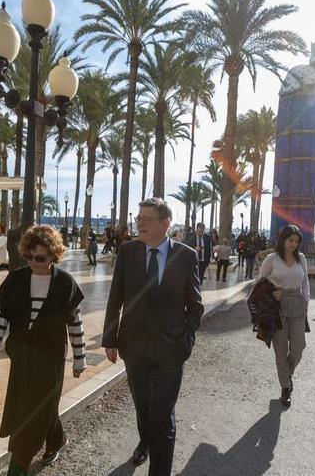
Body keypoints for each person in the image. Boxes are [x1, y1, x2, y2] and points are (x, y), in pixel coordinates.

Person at [102, 198, 204, 476]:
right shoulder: (127, 252)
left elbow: (195, 305)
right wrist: (110, 338)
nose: (140, 223)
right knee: (143, 404)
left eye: (147, 219)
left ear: (165, 223)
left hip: (171, 349)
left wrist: (187, 341)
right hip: (134, 347)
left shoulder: (185, 256)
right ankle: (144, 440)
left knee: (162, 414)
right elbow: (116, 298)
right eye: (138, 218)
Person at [0, 225, 87, 475]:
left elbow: (76, 325)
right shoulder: (15, 280)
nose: (34, 262)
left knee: (32, 410)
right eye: (29, 256)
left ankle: (19, 464)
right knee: (33, 404)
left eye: (41, 258)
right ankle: (56, 439)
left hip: (51, 359)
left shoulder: (65, 283)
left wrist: (80, 359)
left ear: (53, 255)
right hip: (22, 358)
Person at [258, 225, 310, 408]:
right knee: (280, 351)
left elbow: (305, 281)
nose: (293, 244)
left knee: (298, 346)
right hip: (277, 307)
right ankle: (285, 388)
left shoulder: (301, 258)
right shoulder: (272, 259)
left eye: (296, 241)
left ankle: (287, 375)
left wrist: (306, 301)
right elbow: (260, 282)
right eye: (290, 240)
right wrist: (272, 292)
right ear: (283, 240)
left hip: (297, 305)